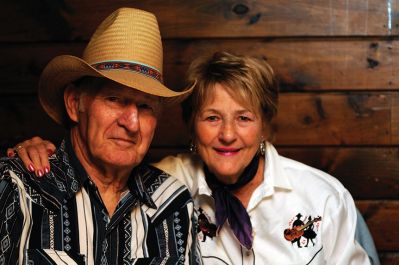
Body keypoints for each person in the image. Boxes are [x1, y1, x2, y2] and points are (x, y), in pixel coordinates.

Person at [8, 52, 373, 264]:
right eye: (212, 118)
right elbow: (106, 164)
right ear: (191, 128)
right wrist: (44, 152)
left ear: (265, 126)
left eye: (244, 118)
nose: (227, 134)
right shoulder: (167, 186)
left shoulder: (324, 198)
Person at [0, 7, 201, 265]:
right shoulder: (17, 187)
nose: (131, 123)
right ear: (74, 103)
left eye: (145, 106)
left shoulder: (172, 203)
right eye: (114, 99)